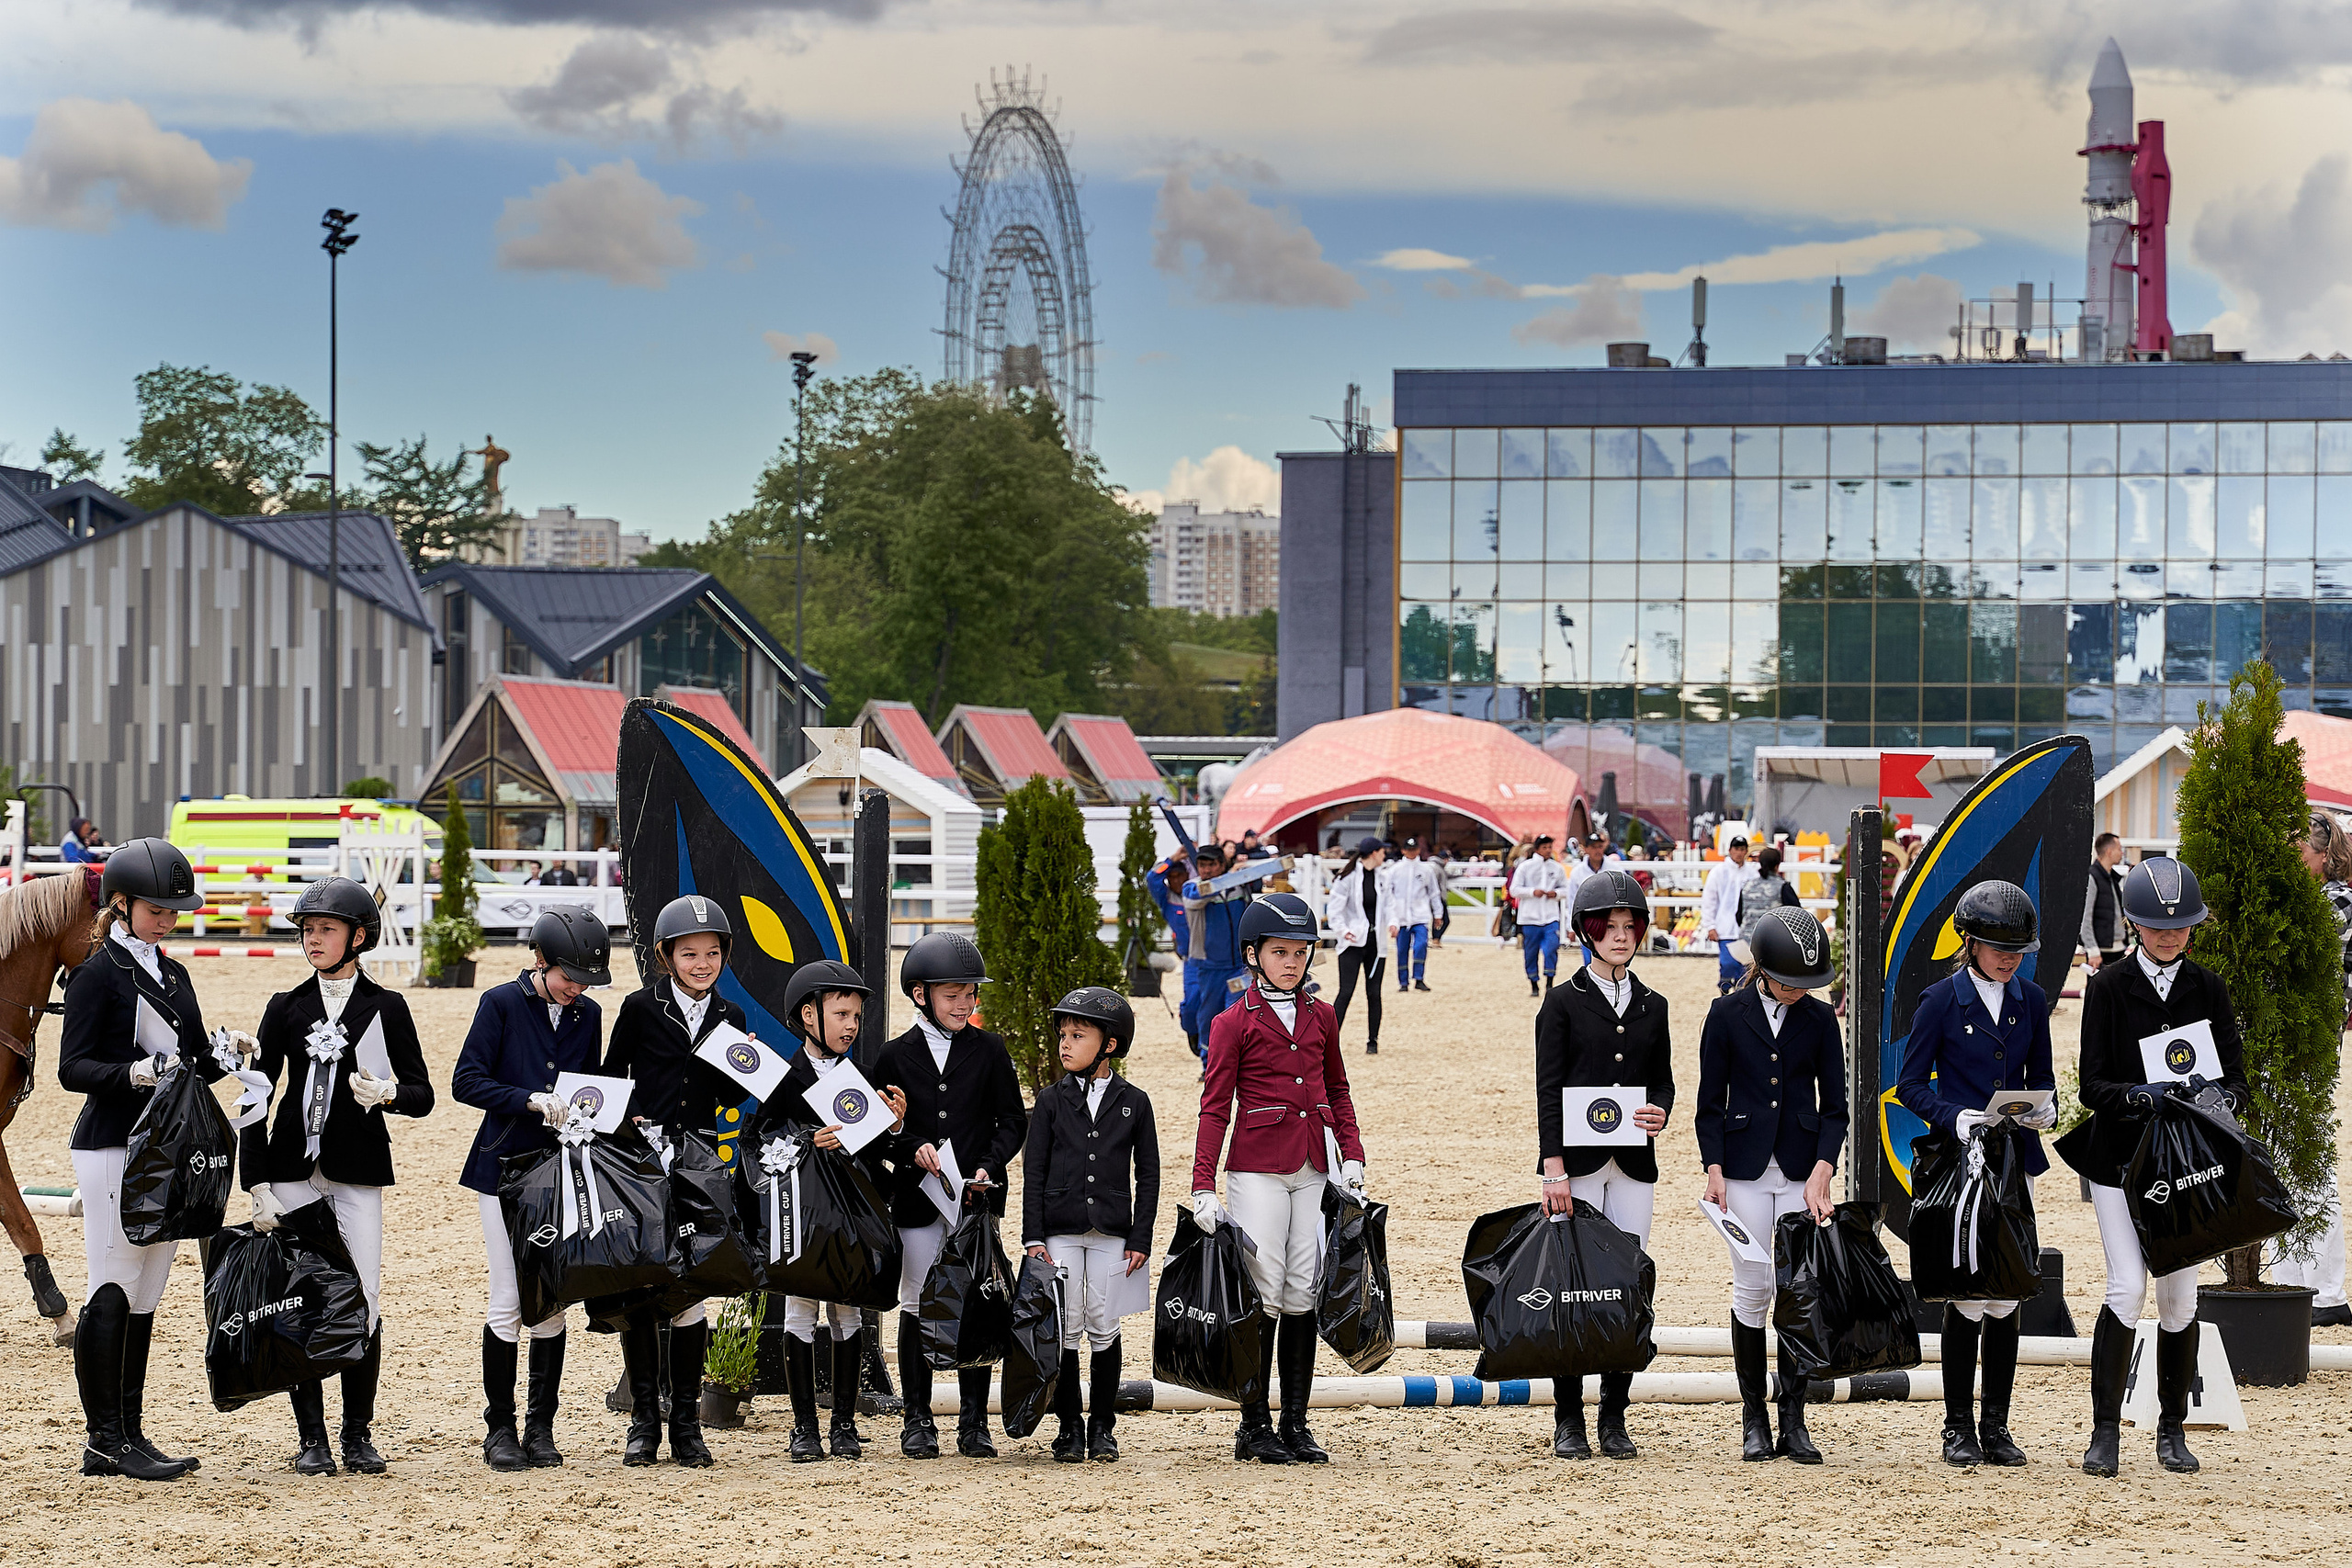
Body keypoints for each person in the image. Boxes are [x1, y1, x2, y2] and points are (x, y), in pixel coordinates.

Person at [2053, 856, 2248, 1479]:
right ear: (2136, 924)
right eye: (2158, 928)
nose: (2169, 938)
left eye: (2181, 928)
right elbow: (2092, 1084)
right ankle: (2104, 1430)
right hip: (2121, 1160)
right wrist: (2144, 1095)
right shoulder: (2108, 986)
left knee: (2179, 1294)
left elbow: (2236, 1079)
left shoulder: (2209, 987)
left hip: (2186, 1164)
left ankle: (2171, 1428)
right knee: (2126, 1287)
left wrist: (2217, 1098)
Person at [60, 838, 245, 1481]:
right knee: (111, 1283)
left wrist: (230, 1053)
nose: (169, 919)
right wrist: (132, 1072)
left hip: (169, 1148)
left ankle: (130, 1431)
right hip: (114, 1142)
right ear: (120, 902)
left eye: (175, 910)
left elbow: (192, 1059)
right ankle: (103, 1438)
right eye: (157, 909)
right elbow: (72, 1068)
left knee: (146, 1292)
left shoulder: (175, 973)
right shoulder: (93, 973)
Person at [240, 876, 435, 1475]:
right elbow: (256, 1095)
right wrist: (256, 1181)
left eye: (325, 929)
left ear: (358, 936)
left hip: (356, 1171)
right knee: (300, 1298)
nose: (313, 939)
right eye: (307, 929)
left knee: (364, 1298)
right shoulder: (284, 1006)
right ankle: (312, 1439)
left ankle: (357, 1432)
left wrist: (389, 1093)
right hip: (293, 1168)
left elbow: (424, 1093)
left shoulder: (387, 1007)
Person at [1192, 893, 1367, 1465]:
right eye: (1280, 952)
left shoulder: (1322, 1015)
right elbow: (1215, 1105)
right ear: (1254, 955)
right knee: (1263, 1286)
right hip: (1256, 1165)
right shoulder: (1231, 1022)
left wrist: (1353, 1153)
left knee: (1302, 1288)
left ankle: (1296, 1421)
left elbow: (1336, 1088)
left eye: (1300, 953)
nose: (1292, 963)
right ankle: (1253, 1424)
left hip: (1315, 1162)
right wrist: (1202, 1183)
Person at [1895, 880, 2058, 1468]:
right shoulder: (1941, 1000)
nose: (2009, 957)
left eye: (2017, 948)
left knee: (2008, 1294)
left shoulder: (2032, 999)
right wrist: (1953, 1114)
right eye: (1996, 947)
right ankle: (1957, 1427)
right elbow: (1911, 1084)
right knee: (1969, 1296)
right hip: (1962, 1161)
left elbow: (2040, 1071)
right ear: (1969, 941)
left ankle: (1997, 1425)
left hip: (2015, 1161)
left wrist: (2045, 1105)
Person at [450, 906, 612, 1472]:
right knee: (510, 1298)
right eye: (570, 977)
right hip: (502, 1171)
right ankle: (499, 1429)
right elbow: (465, 1080)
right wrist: (526, 1099)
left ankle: (540, 1428)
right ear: (540, 960)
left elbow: (590, 1084)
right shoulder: (499, 1004)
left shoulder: (587, 1013)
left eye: (586, 980)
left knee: (552, 1300)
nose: (578, 989)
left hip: (561, 1171)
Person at [1692, 907, 1846, 1464]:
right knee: (1753, 1288)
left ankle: (1794, 1418)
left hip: (1803, 1171)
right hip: (1743, 1170)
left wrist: (1824, 1169)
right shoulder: (1726, 1014)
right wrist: (1714, 1169)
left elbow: (1836, 1107)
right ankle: (1754, 1416)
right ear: (1764, 971)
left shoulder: (1820, 1017)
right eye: (1792, 983)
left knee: (1798, 1295)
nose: (1803, 992)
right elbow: (1709, 1105)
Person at [600, 894, 745, 1468]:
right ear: (665, 956)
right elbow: (613, 1076)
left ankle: (686, 1423)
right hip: (644, 1160)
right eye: (690, 954)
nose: (702, 964)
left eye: (712, 954)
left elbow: (733, 1094)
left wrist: (745, 1071)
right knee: (643, 1286)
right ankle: (643, 1420)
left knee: (691, 1291)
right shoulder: (639, 1007)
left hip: (699, 1164)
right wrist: (625, 1118)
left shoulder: (730, 1016)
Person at [1534, 871, 1673, 1461]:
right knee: (1571, 1283)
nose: (1620, 937)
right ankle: (1569, 1416)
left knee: (1627, 1281)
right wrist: (1553, 1168)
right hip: (1580, 1163)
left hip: (1633, 1163)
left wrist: (1659, 1111)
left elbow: (1662, 1078)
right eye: (1608, 928)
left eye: (1628, 927)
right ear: (1587, 933)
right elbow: (1548, 1088)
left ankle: (1614, 1415)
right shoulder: (1563, 1002)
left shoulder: (1654, 1004)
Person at [874, 932, 1028, 1459]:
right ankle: (916, 1418)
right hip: (918, 1199)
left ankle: (971, 1422)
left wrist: (989, 1163)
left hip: (974, 1200)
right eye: (953, 995)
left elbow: (1011, 1120)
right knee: (917, 1301)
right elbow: (878, 1128)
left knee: (975, 1300)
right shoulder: (893, 1056)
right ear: (921, 995)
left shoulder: (990, 1049)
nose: (965, 1003)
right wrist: (910, 1144)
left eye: (970, 994)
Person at [759, 958, 904, 1463]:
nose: (852, 1026)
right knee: (801, 1309)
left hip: (852, 1218)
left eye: (857, 1018)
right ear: (808, 1015)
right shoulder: (783, 1078)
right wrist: (803, 1140)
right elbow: (761, 1142)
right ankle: (803, 1427)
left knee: (848, 1309)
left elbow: (877, 1154)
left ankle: (843, 1422)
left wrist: (892, 1126)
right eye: (842, 1014)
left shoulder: (861, 1076)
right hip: (803, 1216)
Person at [1023, 987, 1159, 1463]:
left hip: (1113, 1232)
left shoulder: (1135, 1102)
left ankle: (1103, 1425)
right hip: (1059, 1228)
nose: (1065, 1043)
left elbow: (1149, 1172)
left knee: (1104, 1325)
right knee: (1066, 1326)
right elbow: (1034, 1170)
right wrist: (1033, 1236)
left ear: (1109, 1045)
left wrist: (1141, 1236)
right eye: (1062, 1034)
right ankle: (1069, 1426)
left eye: (1077, 1035)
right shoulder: (1050, 1100)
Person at [2282, 812, 2352, 1327]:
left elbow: (2297, 948)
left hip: (2312, 1038)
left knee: (2310, 1161)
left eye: (2299, 854)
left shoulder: (2338, 902)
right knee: (2293, 1156)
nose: (2293, 861)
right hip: (2297, 1034)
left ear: (2324, 857)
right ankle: (2305, 1280)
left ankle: (2324, 1289)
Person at [1150, 842, 1249, 1060]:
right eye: (1201, 865)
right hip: (1199, 964)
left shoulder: (1239, 888)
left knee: (1233, 1012)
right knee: (1195, 1008)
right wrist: (1172, 859)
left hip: (1235, 965)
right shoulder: (1186, 892)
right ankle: (1195, 1038)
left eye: (1211, 865)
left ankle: (1227, 1058)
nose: (1206, 870)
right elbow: (1153, 878)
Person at [1323, 836, 1391, 1055]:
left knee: (1374, 993)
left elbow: (1390, 904)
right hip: (1352, 943)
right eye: (1382, 851)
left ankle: (1373, 1040)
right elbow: (1334, 909)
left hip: (1375, 943)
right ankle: (1328, 1041)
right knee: (1346, 992)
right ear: (1373, 853)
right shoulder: (1348, 877)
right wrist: (1343, 930)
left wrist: (1393, 923)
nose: (1385, 855)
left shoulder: (1383, 877)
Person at [1510, 835, 1569, 996]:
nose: (1548, 850)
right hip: (1530, 916)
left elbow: (1566, 889)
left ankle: (1550, 981)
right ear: (1537, 849)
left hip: (1550, 915)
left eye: (1550, 847)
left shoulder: (1557, 868)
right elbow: (1513, 889)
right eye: (1545, 847)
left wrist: (1555, 893)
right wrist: (1531, 892)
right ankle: (1534, 983)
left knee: (1551, 947)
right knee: (1531, 951)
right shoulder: (1525, 867)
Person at [1699, 835, 1758, 995]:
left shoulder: (1752, 873)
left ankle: (1741, 997)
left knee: (1745, 967)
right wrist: (1710, 925)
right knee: (1728, 964)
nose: (1739, 853)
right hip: (1725, 927)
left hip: (1747, 929)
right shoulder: (1719, 872)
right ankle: (1724, 992)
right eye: (1736, 849)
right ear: (1730, 850)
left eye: (1742, 849)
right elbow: (1710, 900)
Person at [1388, 839, 1442, 993]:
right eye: (1408, 849)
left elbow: (1434, 892)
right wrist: (1392, 917)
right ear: (1403, 851)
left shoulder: (1426, 869)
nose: (1411, 852)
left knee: (1421, 945)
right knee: (1402, 949)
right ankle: (1403, 981)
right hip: (1401, 916)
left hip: (1420, 915)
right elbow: (1388, 894)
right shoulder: (1395, 870)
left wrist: (1438, 913)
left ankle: (1419, 977)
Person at [2079, 832, 2129, 973]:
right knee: (2098, 993)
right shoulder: (2092, 878)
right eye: (2119, 848)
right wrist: (2093, 950)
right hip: (2101, 952)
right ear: (2109, 851)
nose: (2121, 853)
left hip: (2118, 949)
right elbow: (2085, 917)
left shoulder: (2112, 878)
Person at [1735, 846, 1804, 947]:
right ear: (1777, 865)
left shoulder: (1747, 886)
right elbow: (1798, 916)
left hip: (1747, 942)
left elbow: (1739, 917)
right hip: (1774, 944)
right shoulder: (1783, 887)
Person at [1563, 832, 1627, 901]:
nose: (1597, 850)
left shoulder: (1616, 869)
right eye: (1593, 847)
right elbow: (1572, 898)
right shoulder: (1577, 872)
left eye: (1600, 846)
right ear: (1586, 849)